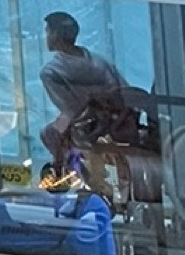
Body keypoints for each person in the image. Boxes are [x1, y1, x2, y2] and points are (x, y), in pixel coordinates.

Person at [38, 11, 132, 168]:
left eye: (48, 31)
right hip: (119, 123)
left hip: (90, 130)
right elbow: (126, 92)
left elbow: (73, 110)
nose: (45, 36)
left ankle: (70, 170)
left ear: (56, 35)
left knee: (48, 133)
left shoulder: (50, 72)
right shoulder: (101, 62)